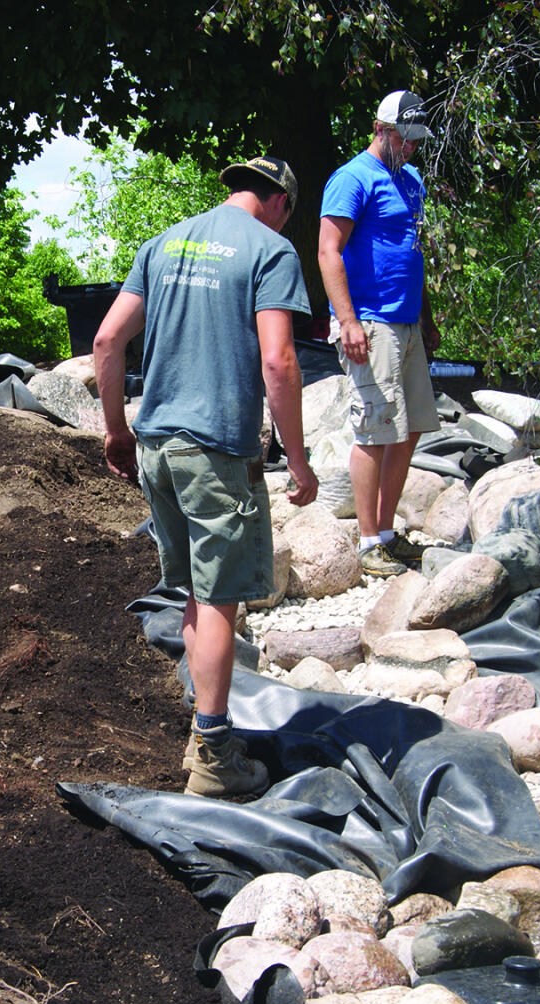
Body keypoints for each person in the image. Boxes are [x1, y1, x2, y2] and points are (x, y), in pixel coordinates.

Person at [93, 155, 318, 799]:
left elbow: (107, 342)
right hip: (216, 450)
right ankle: (215, 755)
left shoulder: (163, 244)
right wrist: (296, 460)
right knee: (221, 598)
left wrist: (116, 429)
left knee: (195, 590)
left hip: (157, 444)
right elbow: (278, 361)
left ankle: (205, 730)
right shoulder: (271, 252)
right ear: (279, 203)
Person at [318, 90, 443, 577]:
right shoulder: (351, 179)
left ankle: (389, 533)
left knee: (408, 431)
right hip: (369, 321)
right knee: (374, 429)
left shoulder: (411, 181)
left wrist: (426, 317)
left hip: (407, 320)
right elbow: (329, 251)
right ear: (380, 128)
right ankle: (369, 542)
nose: (411, 147)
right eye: (404, 138)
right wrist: (347, 321)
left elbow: (415, 254)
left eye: (416, 140)